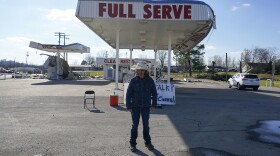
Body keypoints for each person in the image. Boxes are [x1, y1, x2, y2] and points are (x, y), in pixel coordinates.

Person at [126, 62, 157, 152]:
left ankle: (148, 143)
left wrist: (154, 104)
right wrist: (129, 106)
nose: (139, 71)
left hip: (146, 107)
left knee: (146, 125)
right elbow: (128, 94)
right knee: (134, 126)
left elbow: (154, 93)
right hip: (135, 107)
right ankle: (133, 144)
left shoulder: (150, 80)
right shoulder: (133, 81)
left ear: (144, 71)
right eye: (138, 70)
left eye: (140, 70)